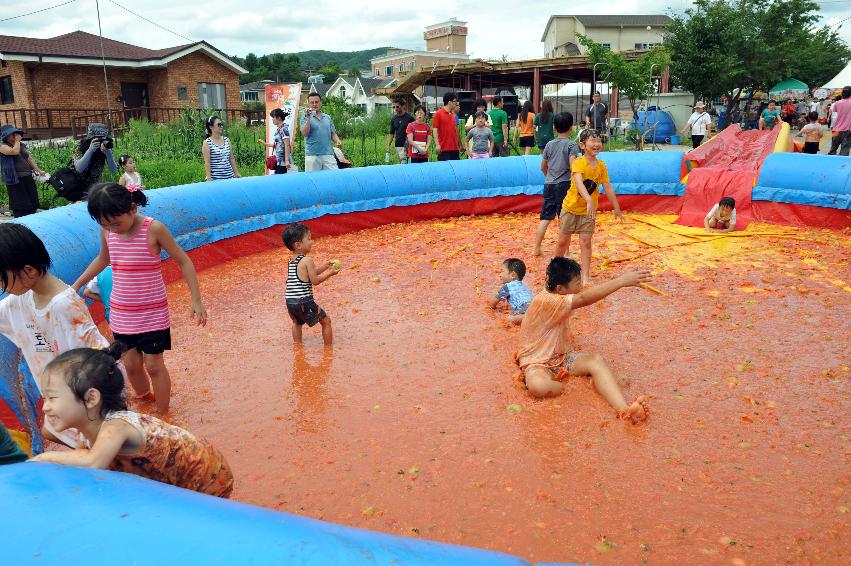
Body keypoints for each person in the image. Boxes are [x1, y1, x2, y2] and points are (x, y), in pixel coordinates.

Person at [71, 183, 208, 415]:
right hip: (122, 312)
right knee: (131, 365)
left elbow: (183, 260)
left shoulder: (153, 229)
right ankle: (145, 400)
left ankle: (164, 415)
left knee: (154, 366)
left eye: (116, 223)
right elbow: (103, 259)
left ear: (132, 208)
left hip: (153, 312)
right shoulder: (108, 232)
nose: (113, 229)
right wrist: (76, 285)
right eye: (105, 225)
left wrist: (196, 299)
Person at [30, 344, 234, 498]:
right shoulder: (87, 433)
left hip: (206, 474)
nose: (45, 407)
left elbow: (93, 462)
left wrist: (45, 458)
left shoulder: (116, 427)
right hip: (172, 477)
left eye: (52, 398)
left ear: (91, 398)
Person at [0, 223, 109, 447]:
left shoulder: (64, 307)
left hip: (86, 404)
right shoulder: (22, 298)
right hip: (63, 402)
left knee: (100, 455)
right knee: (50, 432)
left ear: (29, 271)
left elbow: (97, 364)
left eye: (2, 278)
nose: (1, 285)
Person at [515, 257, 650, 424]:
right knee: (538, 387)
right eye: (577, 283)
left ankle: (624, 410)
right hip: (537, 362)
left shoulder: (556, 292)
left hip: (561, 358)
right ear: (560, 288)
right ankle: (580, 385)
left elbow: (585, 294)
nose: (581, 287)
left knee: (595, 360)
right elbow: (584, 299)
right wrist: (622, 281)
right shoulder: (547, 300)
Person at [554, 129, 624, 286]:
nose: (597, 144)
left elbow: (608, 187)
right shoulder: (578, 163)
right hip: (570, 208)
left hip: (588, 212)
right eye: (593, 140)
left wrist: (616, 207)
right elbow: (578, 183)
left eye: (599, 140)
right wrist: (588, 199)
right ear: (583, 145)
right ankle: (554, 270)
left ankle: (585, 276)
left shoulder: (601, 166)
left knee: (586, 242)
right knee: (562, 242)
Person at [282, 223, 340, 345]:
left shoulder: (291, 261)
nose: (312, 242)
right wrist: (331, 273)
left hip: (290, 301)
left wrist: (325, 266)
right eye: (308, 239)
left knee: (297, 323)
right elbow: (315, 280)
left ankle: (298, 351)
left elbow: (308, 274)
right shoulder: (307, 260)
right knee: (326, 322)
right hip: (304, 301)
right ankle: (329, 352)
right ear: (298, 245)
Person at [534, 112, 579, 257]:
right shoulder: (572, 145)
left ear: (554, 128)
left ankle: (536, 248)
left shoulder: (549, 144)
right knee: (564, 219)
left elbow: (542, 167)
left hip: (549, 184)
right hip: (564, 184)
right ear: (571, 128)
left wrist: (550, 177)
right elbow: (573, 166)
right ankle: (565, 252)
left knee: (545, 218)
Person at [0, 124, 45, 217]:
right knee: (21, 205)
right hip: (15, 180)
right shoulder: (2, 147)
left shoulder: (21, 145)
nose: (16, 135)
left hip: (27, 177)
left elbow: (29, 158)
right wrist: (17, 141)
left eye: (16, 133)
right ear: (7, 136)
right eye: (13, 134)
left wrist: (39, 170)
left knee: (32, 201)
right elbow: (14, 152)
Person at [73, 123, 118, 199]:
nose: (101, 141)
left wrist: (108, 153)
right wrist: (90, 150)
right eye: (98, 139)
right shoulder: (79, 146)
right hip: (78, 186)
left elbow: (114, 170)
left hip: (96, 188)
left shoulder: (106, 147)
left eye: (103, 138)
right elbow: (79, 169)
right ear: (91, 138)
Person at [301, 93, 343, 172]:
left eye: (316, 102)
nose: (314, 104)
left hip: (328, 154)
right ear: (308, 104)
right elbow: (305, 133)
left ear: (321, 103)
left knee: (334, 177)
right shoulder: (305, 117)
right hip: (312, 155)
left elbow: (333, 133)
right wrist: (308, 118)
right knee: (314, 181)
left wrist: (337, 141)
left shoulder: (327, 117)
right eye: (312, 102)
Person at [488, 258, 534, 325]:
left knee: (509, 319)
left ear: (513, 275)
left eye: (502, 271)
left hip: (523, 307)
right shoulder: (524, 285)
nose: (500, 274)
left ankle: (526, 318)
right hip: (534, 306)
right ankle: (532, 318)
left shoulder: (507, 287)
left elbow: (491, 304)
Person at [202, 116, 241, 181]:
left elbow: (231, 159)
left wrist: (236, 173)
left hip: (230, 178)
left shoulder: (227, 140)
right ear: (211, 127)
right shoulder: (207, 143)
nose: (221, 126)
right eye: (219, 125)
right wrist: (209, 179)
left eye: (221, 124)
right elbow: (207, 163)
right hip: (216, 180)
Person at [258, 108, 292, 174]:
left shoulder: (283, 129)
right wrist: (264, 143)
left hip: (283, 162)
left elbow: (287, 145)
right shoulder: (279, 129)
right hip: (279, 161)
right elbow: (278, 144)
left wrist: (287, 160)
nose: (272, 119)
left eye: (273, 117)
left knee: (280, 181)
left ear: (278, 118)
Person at [432, 92, 462, 161]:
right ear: (449, 102)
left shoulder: (453, 115)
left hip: (455, 148)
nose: (456, 103)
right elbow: (435, 130)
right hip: (444, 149)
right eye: (454, 101)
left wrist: (459, 145)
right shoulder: (438, 114)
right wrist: (437, 144)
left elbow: (455, 131)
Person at [386, 97, 414, 164]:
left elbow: (414, 132)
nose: (395, 108)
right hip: (398, 145)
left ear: (403, 106)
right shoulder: (394, 119)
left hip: (407, 145)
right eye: (394, 107)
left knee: (404, 163)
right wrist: (388, 145)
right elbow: (391, 133)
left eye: (397, 106)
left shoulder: (410, 118)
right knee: (402, 162)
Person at [829, 86, 851, 156]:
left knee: (833, 149)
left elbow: (834, 117)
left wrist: (832, 127)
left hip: (836, 130)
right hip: (847, 130)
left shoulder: (837, 103)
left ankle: (830, 164)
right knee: (844, 151)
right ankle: (841, 166)